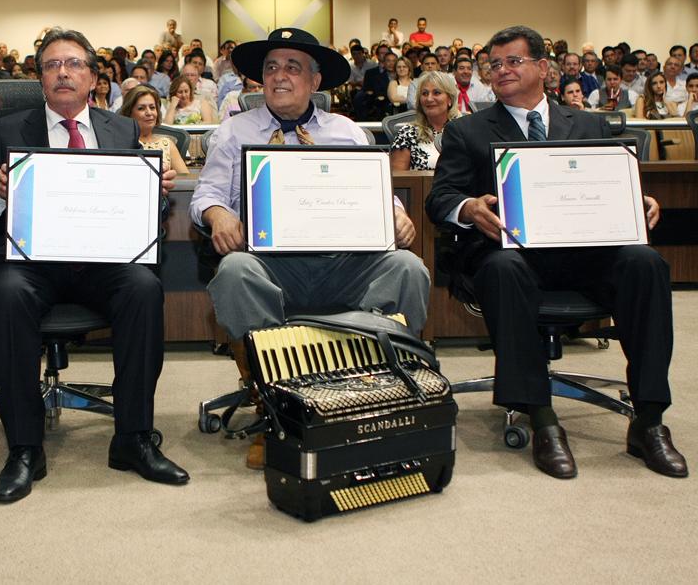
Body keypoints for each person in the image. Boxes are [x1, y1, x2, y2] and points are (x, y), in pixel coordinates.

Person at [425, 25, 686, 480]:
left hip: (585, 255)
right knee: (506, 267)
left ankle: (648, 420)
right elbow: (439, 199)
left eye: (513, 61)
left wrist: (638, 200)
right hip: (508, 256)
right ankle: (541, 418)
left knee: (645, 263)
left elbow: (612, 187)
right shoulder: (468, 131)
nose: (502, 70)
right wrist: (468, 207)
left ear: (543, 68)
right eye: (495, 64)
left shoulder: (589, 123)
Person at [0, 28, 188, 503]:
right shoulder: (7, 130)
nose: (62, 72)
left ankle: (132, 440)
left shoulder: (121, 130)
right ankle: (25, 448)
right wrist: (0, 195)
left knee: (143, 288)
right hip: (31, 262)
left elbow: (143, 217)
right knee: (6, 292)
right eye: (50, 65)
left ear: (92, 78)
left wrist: (157, 194)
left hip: (100, 261)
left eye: (73, 64)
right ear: (40, 79)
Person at [190, 28, 429, 470]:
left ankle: (380, 397)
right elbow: (205, 195)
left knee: (408, 267)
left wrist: (396, 212)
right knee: (236, 270)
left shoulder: (348, 132)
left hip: (343, 265)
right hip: (273, 268)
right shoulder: (232, 132)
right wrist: (218, 215)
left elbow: (379, 191)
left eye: (293, 67)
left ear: (315, 82)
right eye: (271, 67)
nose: (280, 76)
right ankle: (275, 411)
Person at [390, 70, 460, 171]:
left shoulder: (462, 131)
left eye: (436, 93)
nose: (429, 99)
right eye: (424, 93)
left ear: (450, 99)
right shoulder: (407, 133)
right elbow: (398, 181)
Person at [119, 85, 188, 174]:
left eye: (152, 107)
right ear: (129, 113)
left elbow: (185, 179)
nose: (149, 113)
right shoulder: (119, 144)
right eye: (141, 108)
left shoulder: (167, 144)